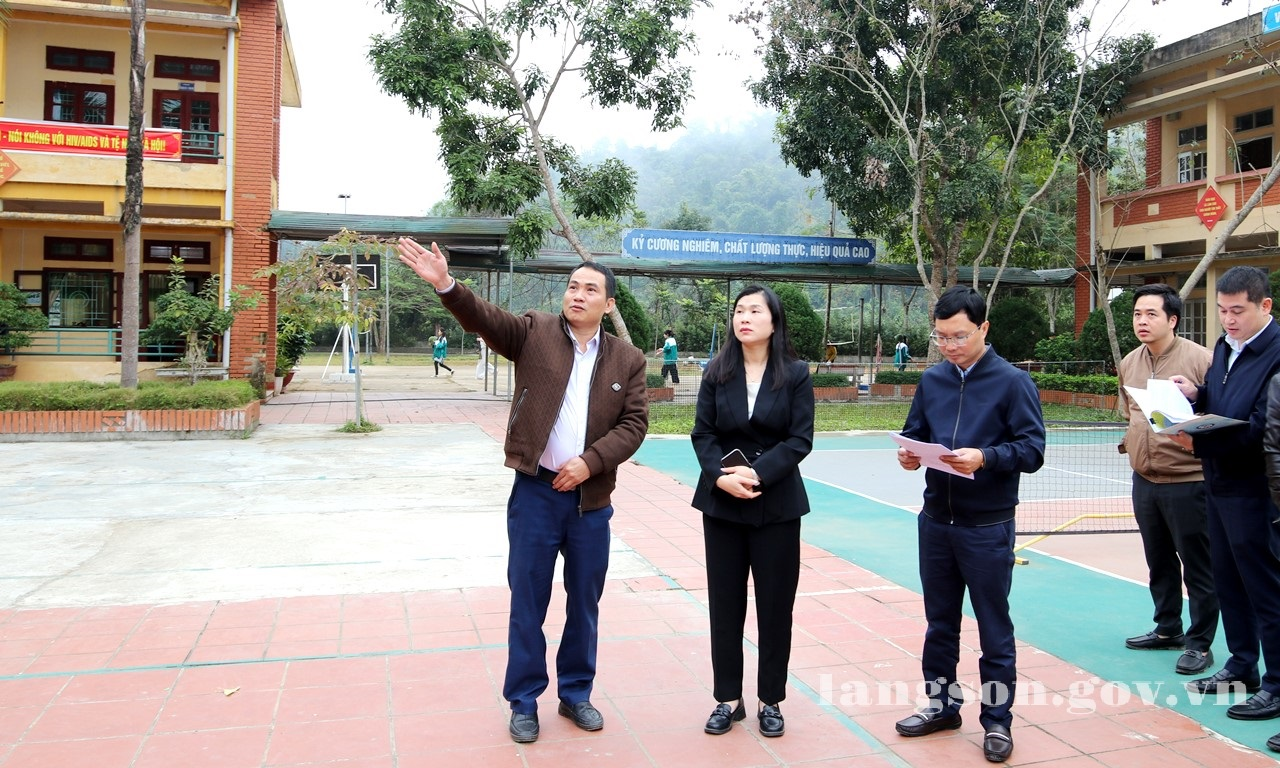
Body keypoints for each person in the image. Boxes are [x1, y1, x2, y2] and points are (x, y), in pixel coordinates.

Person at [396, 238, 649, 745]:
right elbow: (485, 319)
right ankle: (524, 701)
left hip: (590, 503)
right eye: (573, 286)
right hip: (536, 493)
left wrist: (590, 463)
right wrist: (446, 285)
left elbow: (634, 424)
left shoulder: (628, 358)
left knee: (585, 603)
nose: (577, 295)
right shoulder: (535, 331)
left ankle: (576, 693)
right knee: (528, 601)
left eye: (590, 289)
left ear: (608, 304)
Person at [893, 285, 1045, 764]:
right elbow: (916, 434)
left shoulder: (1013, 383)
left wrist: (986, 457)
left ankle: (997, 721)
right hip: (935, 522)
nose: (949, 346)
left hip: (987, 527)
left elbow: (1032, 450)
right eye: (941, 337)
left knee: (993, 628)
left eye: (959, 336)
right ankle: (942, 706)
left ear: (983, 328)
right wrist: (909, 455)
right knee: (940, 624)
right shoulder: (932, 380)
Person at [690, 285, 814, 738]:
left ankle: (770, 699)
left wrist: (758, 474)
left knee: (776, 606)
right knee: (725, 605)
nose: (744, 317)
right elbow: (703, 434)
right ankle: (728, 698)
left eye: (754, 311)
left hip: (776, 504)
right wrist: (720, 477)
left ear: (774, 322)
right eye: (739, 310)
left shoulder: (796, 374)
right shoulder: (716, 371)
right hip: (722, 503)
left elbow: (800, 439)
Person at [1170, 266, 1280, 740]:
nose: (1228, 320)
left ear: (1265, 306)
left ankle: (1276, 683)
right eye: (1222, 310)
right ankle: (1242, 665)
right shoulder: (1224, 346)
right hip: (1217, 482)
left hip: (1257, 491)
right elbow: (1221, 400)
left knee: (1265, 588)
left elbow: (1262, 427)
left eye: (1238, 311)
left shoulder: (1276, 352)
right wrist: (1196, 396)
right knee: (1228, 579)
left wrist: (1202, 442)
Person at [1117, 284, 1218, 675]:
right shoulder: (1130, 362)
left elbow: (1218, 412)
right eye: (1137, 314)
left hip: (1189, 480)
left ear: (1172, 319)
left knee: (1198, 566)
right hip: (1145, 479)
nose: (1141, 321)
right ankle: (1167, 629)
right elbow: (1131, 414)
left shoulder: (1201, 359)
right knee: (1158, 560)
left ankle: (1200, 644)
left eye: (1151, 314)